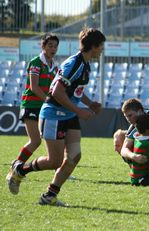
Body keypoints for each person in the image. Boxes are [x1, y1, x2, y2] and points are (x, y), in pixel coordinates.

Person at [6, 28, 106, 206]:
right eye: (101, 46)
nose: (102, 50)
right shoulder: (74, 63)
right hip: (54, 115)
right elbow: (56, 92)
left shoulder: (85, 63)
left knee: (74, 156)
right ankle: (20, 170)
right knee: (55, 161)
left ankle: (49, 196)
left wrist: (90, 103)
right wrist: (78, 110)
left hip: (68, 115)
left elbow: (74, 90)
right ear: (94, 46)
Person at [6, 34, 59, 192]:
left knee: (50, 139)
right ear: (43, 46)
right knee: (35, 141)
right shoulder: (36, 63)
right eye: (50, 45)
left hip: (44, 107)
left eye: (55, 46)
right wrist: (49, 101)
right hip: (31, 105)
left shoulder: (54, 67)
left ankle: (59, 168)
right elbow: (34, 87)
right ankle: (15, 168)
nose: (53, 49)